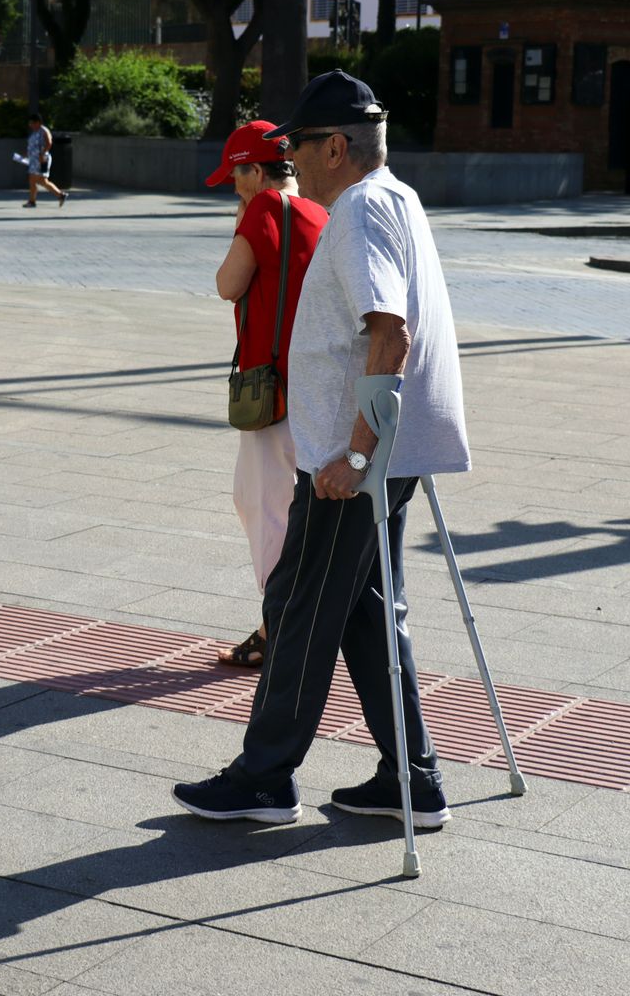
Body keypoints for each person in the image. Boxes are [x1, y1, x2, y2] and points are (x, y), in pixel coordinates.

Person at [173, 70, 470, 829]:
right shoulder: (397, 197)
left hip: (351, 461)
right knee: (367, 612)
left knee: (299, 606)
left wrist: (357, 455)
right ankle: (412, 778)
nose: (291, 160)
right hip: (385, 451)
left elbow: (390, 331)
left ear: (335, 146)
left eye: (299, 145)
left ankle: (264, 778)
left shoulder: (361, 209)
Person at [205, 120, 329, 667]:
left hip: (271, 390)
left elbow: (227, 284)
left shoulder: (263, 210)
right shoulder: (320, 211)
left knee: (263, 505)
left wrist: (244, 219)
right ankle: (281, 623)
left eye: (236, 177)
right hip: (314, 385)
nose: (234, 188)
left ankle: (278, 626)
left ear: (256, 171)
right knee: (290, 506)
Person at [24, 114, 68, 208]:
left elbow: (49, 143)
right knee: (42, 181)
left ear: (38, 122)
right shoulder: (35, 132)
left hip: (41, 159)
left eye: (32, 123)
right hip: (35, 159)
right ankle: (60, 195)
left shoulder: (44, 130)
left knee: (32, 179)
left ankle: (32, 201)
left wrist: (42, 154)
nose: (30, 125)